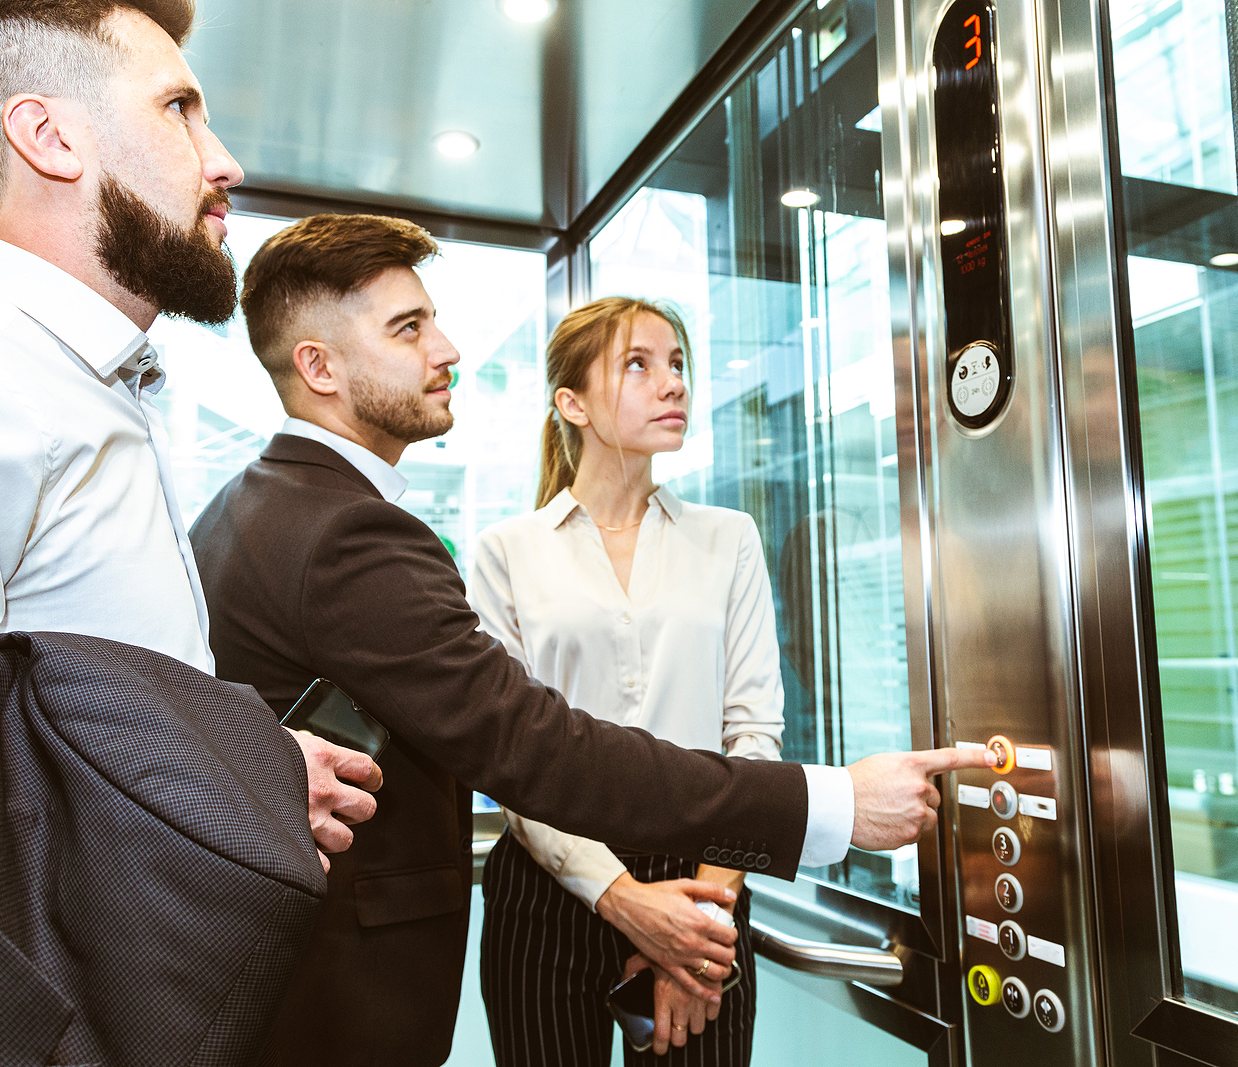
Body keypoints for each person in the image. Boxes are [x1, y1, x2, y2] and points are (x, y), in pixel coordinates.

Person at [189, 211, 997, 1066]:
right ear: (317, 366)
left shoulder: (256, 509)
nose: (449, 348)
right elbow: (528, 745)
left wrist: (705, 907)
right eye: (409, 327)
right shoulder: (355, 532)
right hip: (394, 964)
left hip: (664, 880)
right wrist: (825, 805)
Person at [0, 1, 377, 1060]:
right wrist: (216, 781)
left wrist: (245, 760)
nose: (226, 160)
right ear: (48, 136)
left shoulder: (81, 390)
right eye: (180, 111)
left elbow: (89, 712)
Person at [470, 296, 775, 1065]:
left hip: (707, 880)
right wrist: (626, 901)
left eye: (676, 363)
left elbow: (755, 736)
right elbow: (508, 755)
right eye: (638, 364)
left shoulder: (728, 539)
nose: (672, 383)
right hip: (549, 886)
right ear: (569, 402)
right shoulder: (507, 550)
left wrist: (701, 923)